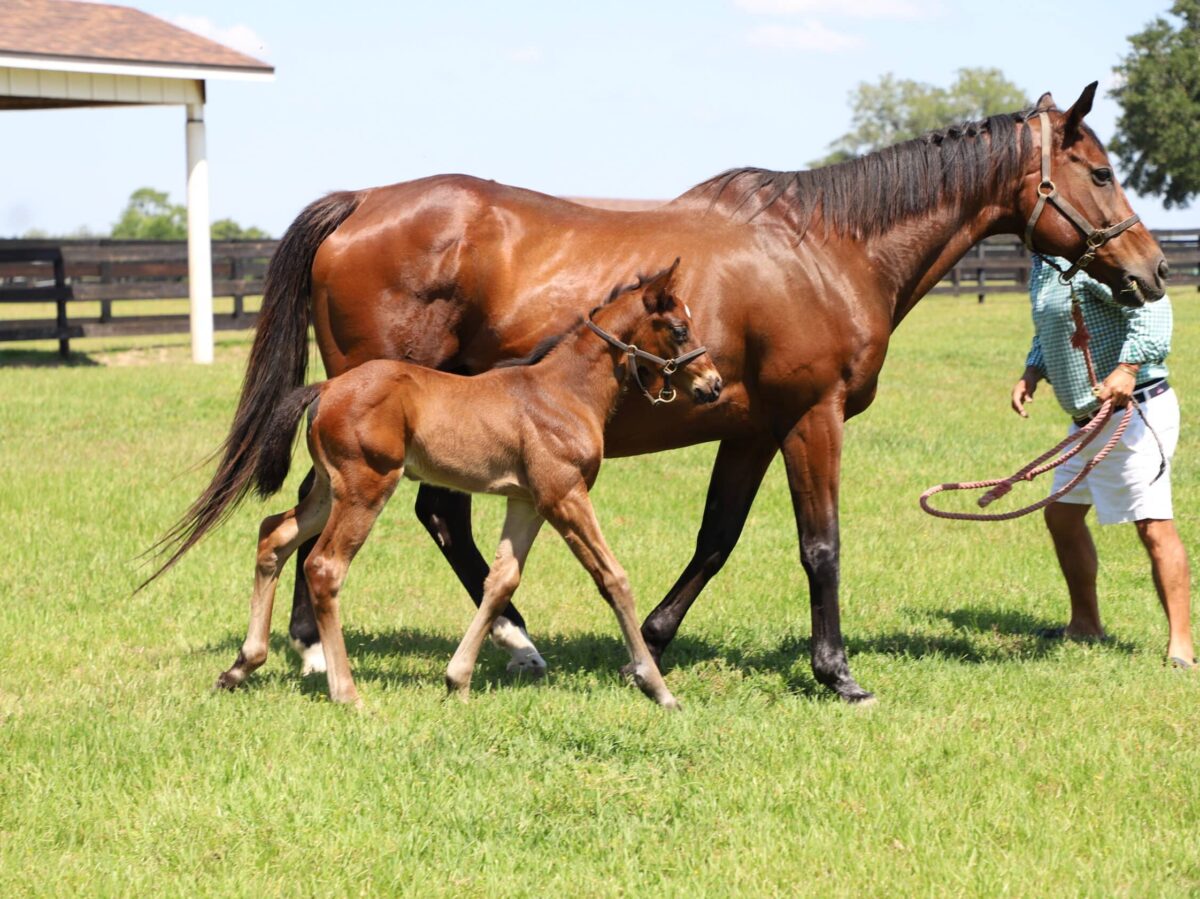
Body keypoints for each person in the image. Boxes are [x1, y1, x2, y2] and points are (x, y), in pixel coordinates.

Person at [1010, 255, 1195, 668]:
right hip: (1089, 421)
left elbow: (1154, 306)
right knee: (1062, 515)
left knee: (1152, 525)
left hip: (1135, 412)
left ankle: (1181, 646)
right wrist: (1032, 371)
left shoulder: (1095, 259)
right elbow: (1055, 327)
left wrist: (1128, 367)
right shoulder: (1044, 263)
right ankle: (1085, 624)